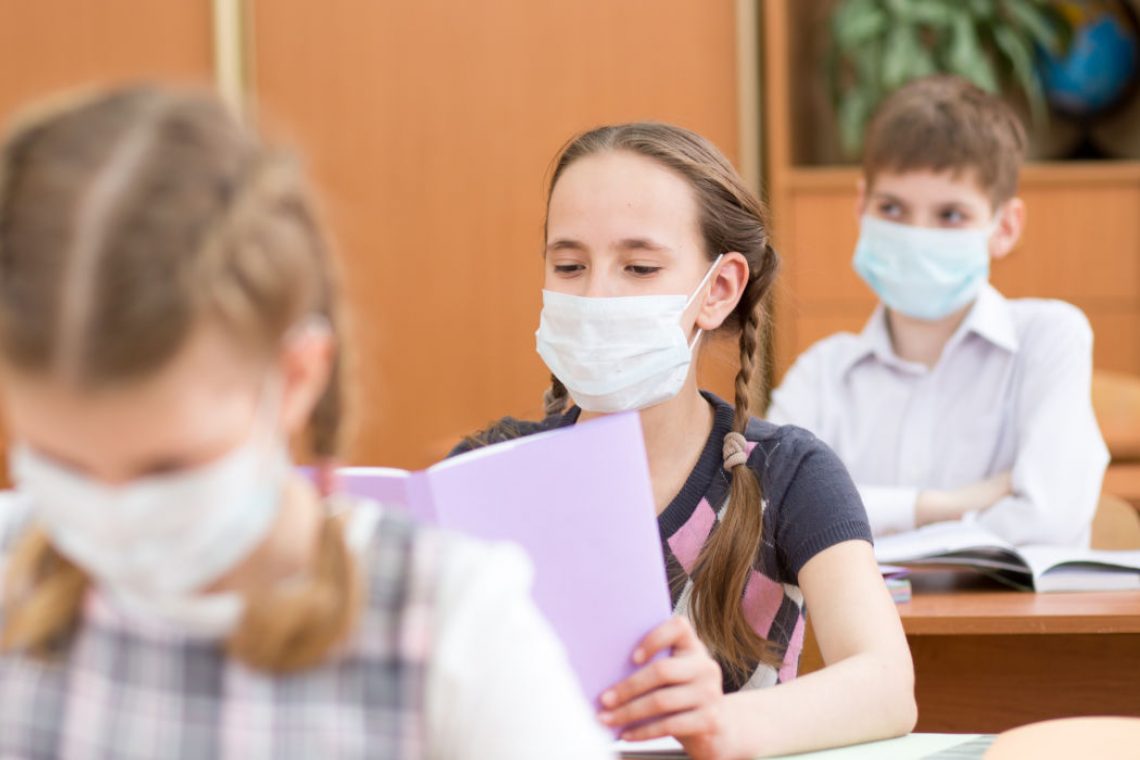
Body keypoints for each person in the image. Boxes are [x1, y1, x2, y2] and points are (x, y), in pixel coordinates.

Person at [0, 85, 611, 760]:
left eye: (168, 469)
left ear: (294, 378)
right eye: (61, 464)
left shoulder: (447, 625)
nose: (112, 519)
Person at [459, 122, 915, 759]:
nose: (596, 296)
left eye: (639, 267)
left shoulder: (787, 475)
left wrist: (718, 723)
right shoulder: (487, 475)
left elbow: (887, 685)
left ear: (719, 290)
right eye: (569, 265)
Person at [768, 75, 1109, 546]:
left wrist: (853, 526)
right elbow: (770, 513)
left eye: (951, 215)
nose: (917, 234)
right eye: (892, 208)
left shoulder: (1051, 337)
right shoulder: (821, 375)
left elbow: (1049, 519)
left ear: (1005, 226)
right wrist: (941, 506)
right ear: (861, 207)